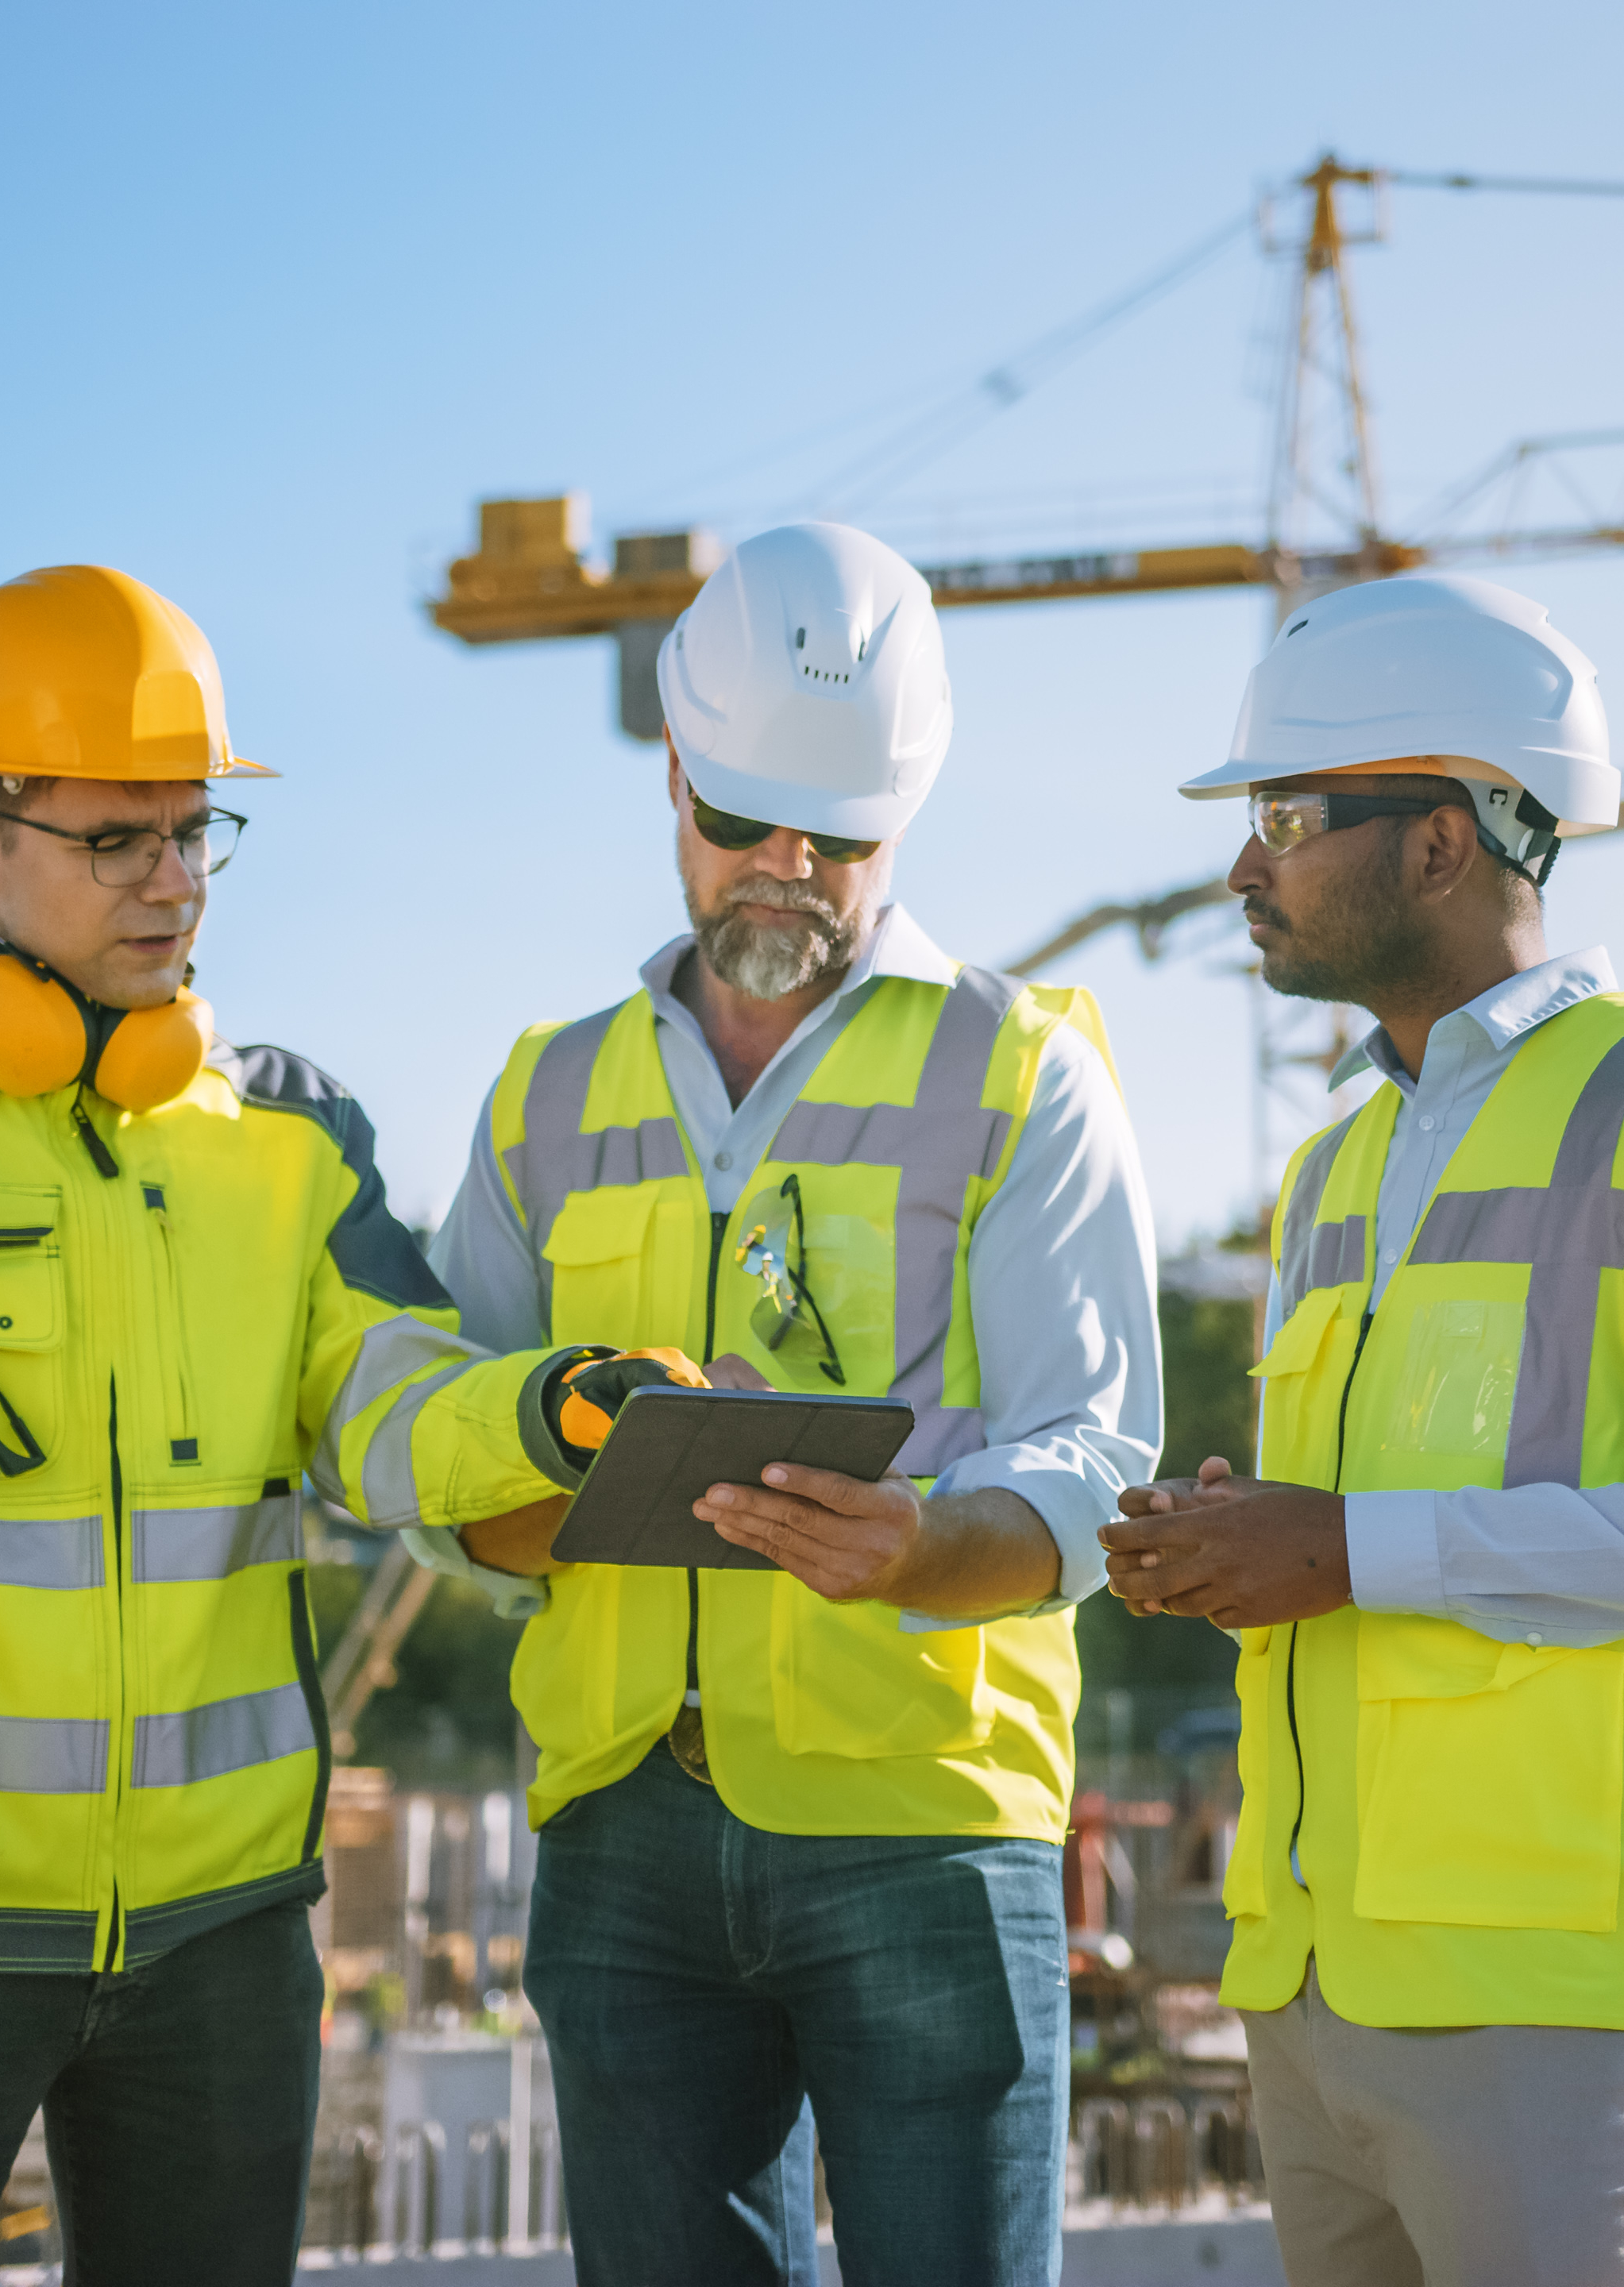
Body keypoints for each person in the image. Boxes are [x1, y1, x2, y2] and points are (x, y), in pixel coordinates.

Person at [0, 565, 654, 2285]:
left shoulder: (292, 1136)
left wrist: (556, 1410)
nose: (174, 882)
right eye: (118, 840)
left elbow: (388, 1403)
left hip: (223, 1946)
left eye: (194, 834)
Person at [417, 521, 1163, 2285]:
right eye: (743, 822)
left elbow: (1094, 1453)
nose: (785, 868)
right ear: (671, 773)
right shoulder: (547, 1093)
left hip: (921, 1816)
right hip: (622, 1824)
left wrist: (927, 1545)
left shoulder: (1023, 1070)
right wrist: (545, 1468)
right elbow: (443, 1431)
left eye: (834, 838)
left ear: (901, 819)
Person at [1099, 572, 1624, 2287]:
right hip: (1314, 1989)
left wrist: (1349, 1546)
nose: (1242, 868)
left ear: (1440, 842)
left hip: (1559, 2010)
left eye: (1285, 818)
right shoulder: (1332, 1167)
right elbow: (1367, 1524)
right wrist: (1239, 1536)